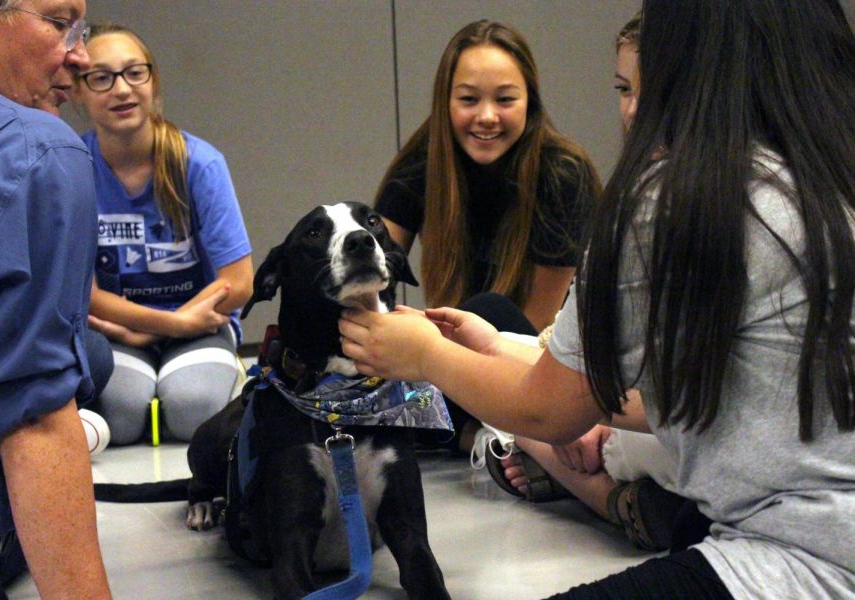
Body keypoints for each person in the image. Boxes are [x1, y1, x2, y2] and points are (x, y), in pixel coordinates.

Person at [340, 0, 855, 597]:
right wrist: (502, 349)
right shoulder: (822, 181)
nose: (633, 106)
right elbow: (668, 387)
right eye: (621, 88)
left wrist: (424, 355)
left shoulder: (672, 201)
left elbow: (553, 409)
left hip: (805, 555)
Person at [478, 11, 705, 554]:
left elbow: (676, 398)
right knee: (490, 331)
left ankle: (577, 478)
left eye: (504, 99)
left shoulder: (635, 198)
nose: (631, 111)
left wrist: (586, 410)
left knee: (519, 410)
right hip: (619, 394)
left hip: (669, 431)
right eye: (623, 90)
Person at [373, 19, 600, 451]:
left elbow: (534, 336)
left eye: (505, 99)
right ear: (446, 102)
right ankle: (465, 435)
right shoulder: (423, 162)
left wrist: (435, 360)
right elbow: (372, 273)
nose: (487, 116)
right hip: (455, 361)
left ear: (530, 102)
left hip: (535, 365)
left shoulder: (562, 173)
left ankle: (468, 433)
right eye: (469, 100)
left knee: (487, 310)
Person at [0, 0, 112, 598]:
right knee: (58, 390)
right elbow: (34, 417)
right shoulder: (36, 149)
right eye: (58, 22)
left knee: (90, 357)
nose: (81, 53)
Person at [72, 23, 254, 445]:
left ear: (154, 82)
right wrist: (163, 324)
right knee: (119, 417)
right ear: (78, 91)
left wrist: (166, 327)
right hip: (115, 329)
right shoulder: (73, 166)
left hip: (199, 322)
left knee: (193, 411)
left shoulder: (200, 163)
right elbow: (86, 293)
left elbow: (240, 282)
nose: (122, 90)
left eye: (135, 72)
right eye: (101, 78)